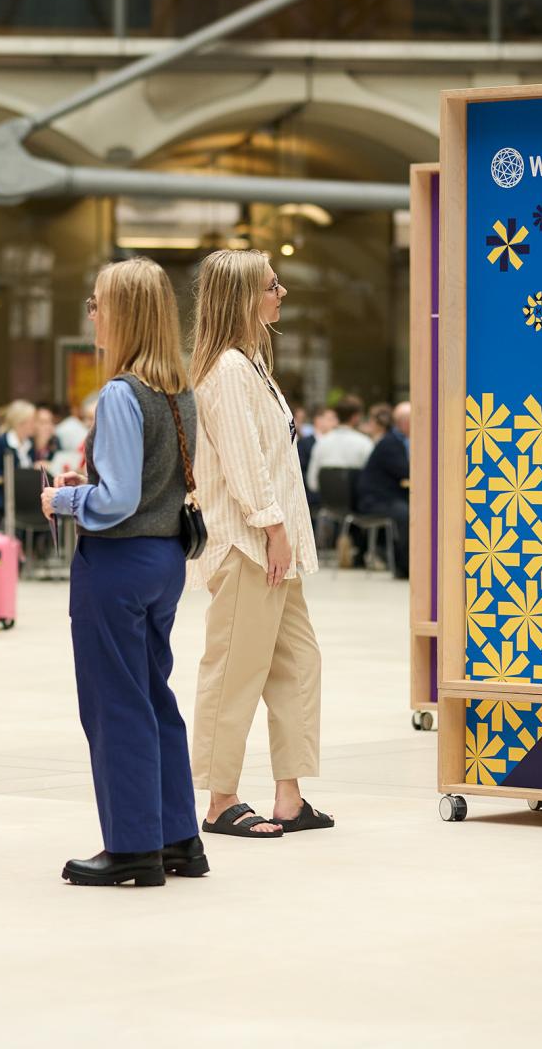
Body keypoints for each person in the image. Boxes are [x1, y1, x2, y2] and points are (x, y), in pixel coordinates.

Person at [42, 257, 207, 888]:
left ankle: (132, 846)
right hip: (166, 559)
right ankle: (178, 838)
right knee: (154, 696)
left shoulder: (118, 393)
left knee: (116, 705)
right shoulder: (177, 389)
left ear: (123, 314)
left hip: (116, 562)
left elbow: (114, 501)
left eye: (97, 302)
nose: (92, 314)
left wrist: (62, 499)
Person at [188, 248, 332, 838]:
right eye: (273, 286)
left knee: (298, 662)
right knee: (235, 670)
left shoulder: (252, 365)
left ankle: (289, 796)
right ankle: (221, 800)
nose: (282, 294)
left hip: (277, 544)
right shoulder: (225, 371)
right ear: (245, 296)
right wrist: (272, 526)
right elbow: (246, 463)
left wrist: (285, 536)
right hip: (250, 544)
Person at [357, 400, 411, 578]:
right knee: (407, 514)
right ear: (404, 422)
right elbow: (406, 471)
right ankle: (404, 567)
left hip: (387, 496)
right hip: (375, 501)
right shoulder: (390, 444)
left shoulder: (395, 440)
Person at [305, 394, 372, 494]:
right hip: (357, 506)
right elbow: (369, 482)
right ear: (355, 417)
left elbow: (312, 483)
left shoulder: (321, 443)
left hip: (325, 504)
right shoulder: (365, 443)